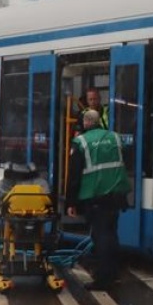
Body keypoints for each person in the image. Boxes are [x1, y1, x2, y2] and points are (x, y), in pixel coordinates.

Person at [66, 109, 130, 290]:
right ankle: (114, 273)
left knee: (100, 237)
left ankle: (103, 279)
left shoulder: (81, 142)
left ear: (86, 123)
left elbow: (74, 176)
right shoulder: (115, 137)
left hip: (95, 196)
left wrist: (71, 202)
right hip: (116, 196)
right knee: (112, 234)